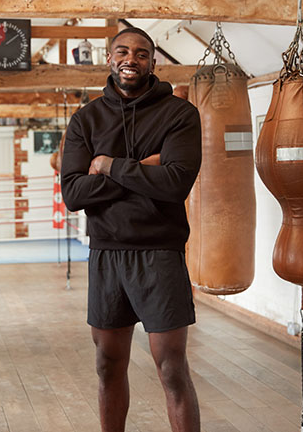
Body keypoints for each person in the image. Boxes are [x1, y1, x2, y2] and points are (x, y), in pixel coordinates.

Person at [61, 27, 202, 432]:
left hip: (160, 252)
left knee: (172, 369)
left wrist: (107, 165)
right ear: (109, 58)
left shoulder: (179, 114)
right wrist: (144, 170)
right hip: (106, 254)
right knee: (107, 365)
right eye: (122, 51)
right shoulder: (86, 119)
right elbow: (73, 193)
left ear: (153, 62)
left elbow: (176, 183)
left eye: (142, 53)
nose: (131, 59)